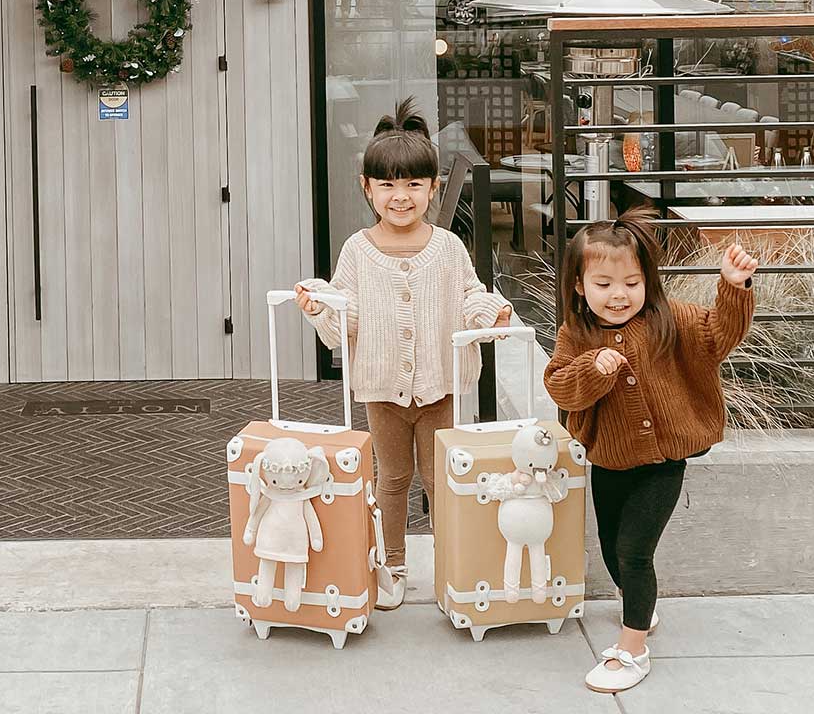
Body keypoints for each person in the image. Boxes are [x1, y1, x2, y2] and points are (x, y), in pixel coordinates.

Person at [295, 97, 512, 610]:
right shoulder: (356, 250)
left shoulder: (447, 247)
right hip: (382, 389)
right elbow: (343, 319)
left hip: (442, 386)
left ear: (433, 188)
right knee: (390, 481)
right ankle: (391, 565)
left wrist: (491, 314)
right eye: (388, 184)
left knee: (443, 481)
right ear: (367, 189)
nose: (401, 196)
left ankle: (451, 563)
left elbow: (469, 297)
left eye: (414, 184)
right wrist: (317, 307)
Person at [544, 207, 758, 694]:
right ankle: (642, 606)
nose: (619, 295)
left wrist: (732, 287)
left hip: (663, 463)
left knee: (634, 553)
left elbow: (719, 335)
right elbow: (560, 387)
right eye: (603, 284)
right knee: (614, 553)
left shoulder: (673, 319)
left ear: (648, 281)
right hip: (610, 458)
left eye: (632, 283)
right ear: (579, 286)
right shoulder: (576, 334)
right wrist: (594, 370)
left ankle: (632, 647)